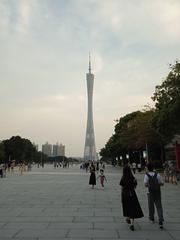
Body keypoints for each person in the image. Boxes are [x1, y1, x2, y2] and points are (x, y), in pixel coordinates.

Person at [120, 165, 144, 231]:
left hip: (125, 194)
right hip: (132, 194)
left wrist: (121, 195)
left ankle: (128, 218)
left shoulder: (123, 178)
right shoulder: (133, 178)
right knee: (132, 207)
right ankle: (131, 223)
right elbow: (135, 187)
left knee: (127, 207)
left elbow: (122, 188)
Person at [144, 163, 164, 229]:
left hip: (150, 193)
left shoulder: (146, 175)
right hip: (158, 192)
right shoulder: (157, 174)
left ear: (147, 168)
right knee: (159, 206)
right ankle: (160, 220)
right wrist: (157, 184)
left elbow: (145, 185)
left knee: (151, 206)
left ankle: (152, 218)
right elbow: (162, 183)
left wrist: (150, 185)